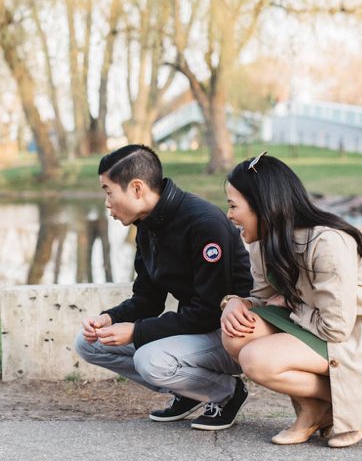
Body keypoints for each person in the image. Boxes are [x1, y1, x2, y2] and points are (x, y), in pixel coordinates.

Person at [219, 152, 362, 448]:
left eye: (233, 206)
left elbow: (336, 328)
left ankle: (356, 405)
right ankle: (319, 408)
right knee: (238, 332)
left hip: (357, 338)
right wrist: (238, 303)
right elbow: (265, 299)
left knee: (256, 358)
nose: (229, 215)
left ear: (262, 205)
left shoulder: (326, 242)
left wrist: (289, 306)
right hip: (317, 325)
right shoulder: (265, 244)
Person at [74, 144, 253, 430]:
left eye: (108, 192)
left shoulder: (203, 223)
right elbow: (148, 298)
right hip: (198, 329)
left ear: (136, 188)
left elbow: (208, 310)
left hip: (232, 333)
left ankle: (226, 392)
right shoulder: (148, 225)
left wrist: (135, 331)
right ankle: (187, 391)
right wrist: (109, 319)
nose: (107, 203)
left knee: (150, 360)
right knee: (88, 344)